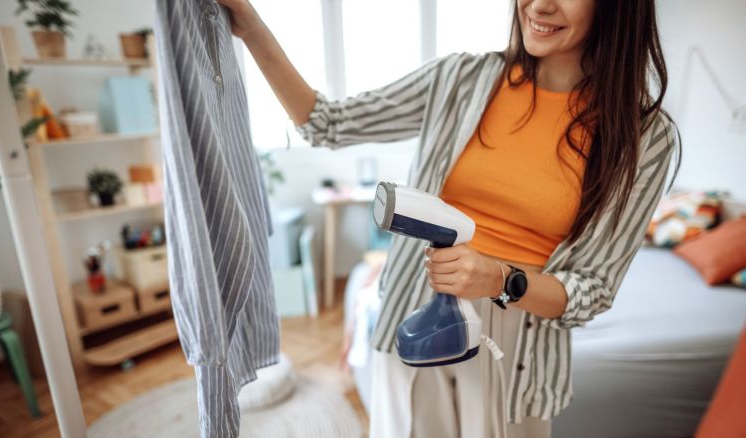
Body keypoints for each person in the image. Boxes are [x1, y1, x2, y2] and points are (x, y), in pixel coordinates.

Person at [217, 0, 680, 436]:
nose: (539, 5)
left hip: (519, 341)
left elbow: (592, 290)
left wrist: (497, 278)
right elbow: (326, 122)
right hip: (417, 307)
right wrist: (252, 28)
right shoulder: (461, 78)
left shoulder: (644, 138)